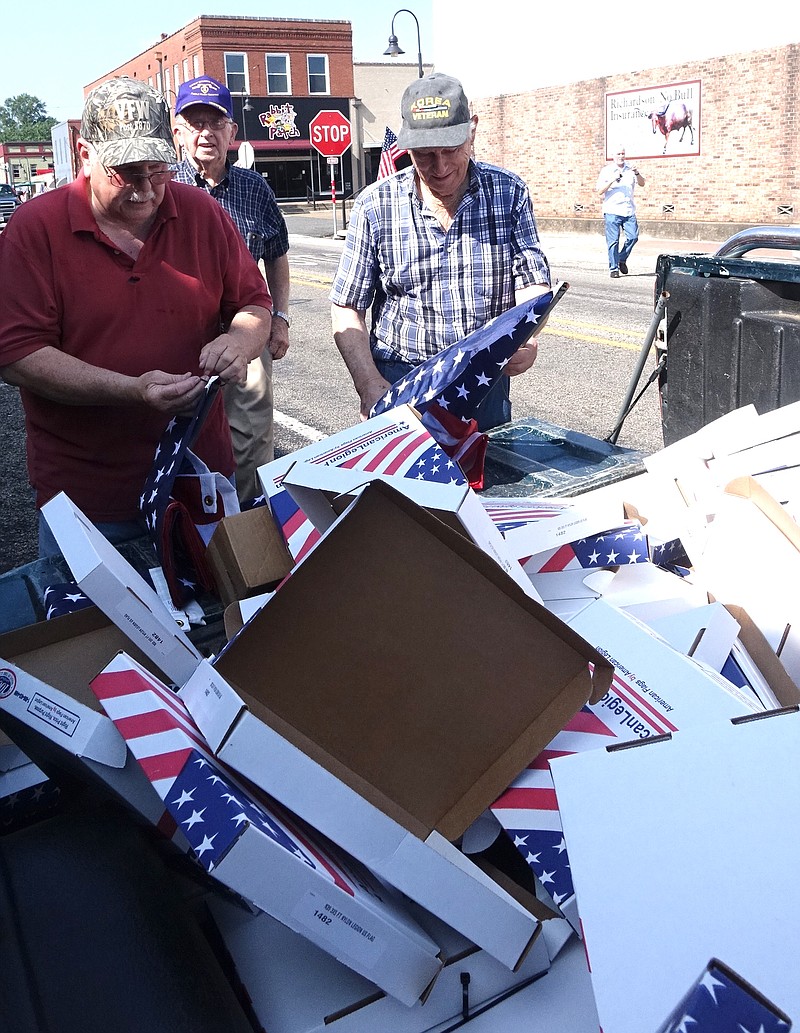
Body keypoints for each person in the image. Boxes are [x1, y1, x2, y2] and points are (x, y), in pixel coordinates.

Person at [0, 78, 272, 557]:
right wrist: (132, 390)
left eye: (158, 168)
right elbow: (18, 354)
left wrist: (240, 342)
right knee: (94, 631)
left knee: (220, 625)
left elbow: (254, 303)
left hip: (199, 483)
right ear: (85, 153)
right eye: (127, 171)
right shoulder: (34, 229)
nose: (147, 191)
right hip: (90, 501)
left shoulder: (201, 212)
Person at [330, 72, 551, 431]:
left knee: (487, 483)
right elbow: (346, 309)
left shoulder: (510, 194)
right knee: (400, 488)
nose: (441, 167)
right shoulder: (374, 205)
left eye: (451, 150)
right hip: (402, 380)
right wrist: (369, 385)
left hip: (482, 380)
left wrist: (528, 336)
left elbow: (532, 283)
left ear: (472, 130)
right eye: (424, 155)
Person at [172, 76, 291, 503]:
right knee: (183, 432)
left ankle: (247, 532)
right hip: (182, 331)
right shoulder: (163, 188)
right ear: (179, 131)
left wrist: (280, 318)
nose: (206, 132)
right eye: (195, 122)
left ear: (232, 133)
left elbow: (277, 254)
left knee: (252, 440)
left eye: (215, 122)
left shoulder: (255, 189)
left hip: (247, 327)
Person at [596, 147, 645, 278]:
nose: (621, 156)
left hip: (628, 210)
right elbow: (600, 191)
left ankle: (621, 258)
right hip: (612, 210)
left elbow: (642, 183)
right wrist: (612, 179)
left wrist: (637, 172)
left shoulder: (630, 170)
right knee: (613, 241)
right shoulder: (606, 171)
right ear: (613, 156)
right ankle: (614, 268)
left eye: (623, 153)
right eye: (618, 153)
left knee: (633, 237)